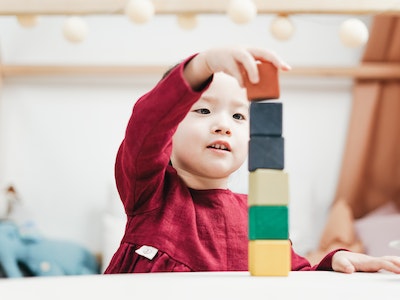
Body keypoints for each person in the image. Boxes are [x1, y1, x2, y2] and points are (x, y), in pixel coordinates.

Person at [104, 46, 400, 274]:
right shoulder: (150, 195)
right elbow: (147, 124)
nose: (224, 125)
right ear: (170, 129)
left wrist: (335, 262)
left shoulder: (256, 211)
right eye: (203, 111)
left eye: (238, 115)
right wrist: (203, 65)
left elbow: (293, 274)